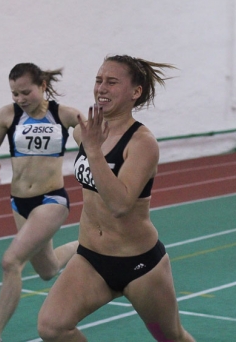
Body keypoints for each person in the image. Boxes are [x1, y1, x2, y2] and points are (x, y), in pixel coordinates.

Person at [37, 55, 195, 342]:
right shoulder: (86, 132)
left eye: (112, 82)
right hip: (91, 259)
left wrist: (94, 151)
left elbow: (120, 205)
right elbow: (65, 117)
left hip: (139, 265)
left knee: (170, 338)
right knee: (52, 327)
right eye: (99, 80)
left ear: (136, 92)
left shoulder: (142, 143)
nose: (101, 88)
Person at [0, 63, 83, 342]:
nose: (20, 99)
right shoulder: (8, 115)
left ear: (42, 86)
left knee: (11, 261)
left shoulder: (63, 114)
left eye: (26, 92)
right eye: (15, 93)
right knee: (48, 269)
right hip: (19, 202)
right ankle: (84, 245)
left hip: (51, 200)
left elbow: (88, 135)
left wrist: (87, 140)